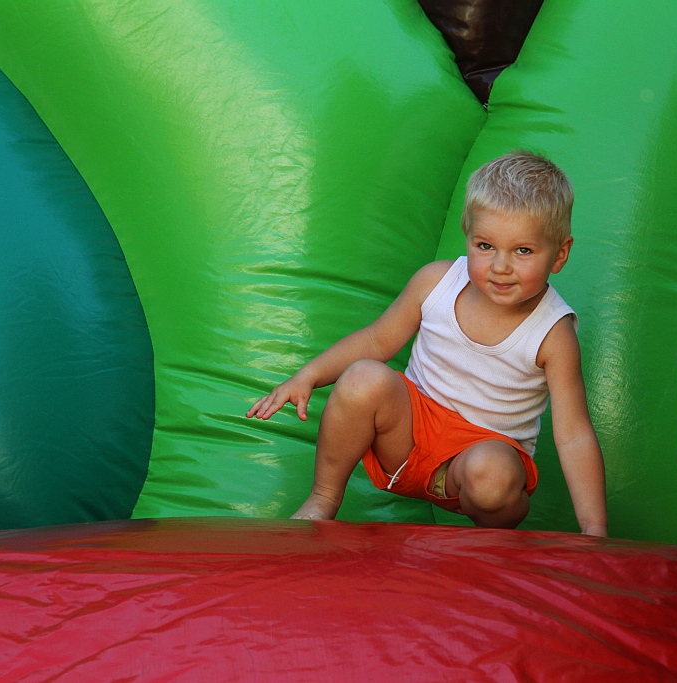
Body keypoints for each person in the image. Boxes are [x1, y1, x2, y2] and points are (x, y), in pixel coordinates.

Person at [247, 151, 607, 534]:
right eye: (486, 246)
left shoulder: (552, 332)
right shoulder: (437, 282)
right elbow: (374, 340)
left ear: (560, 254)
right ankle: (322, 498)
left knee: (494, 476)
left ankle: (494, 539)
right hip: (409, 434)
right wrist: (308, 375)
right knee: (361, 378)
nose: (501, 266)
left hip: (479, 456)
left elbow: (573, 434)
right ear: (467, 235)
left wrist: (594, 529)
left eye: (523, 251)